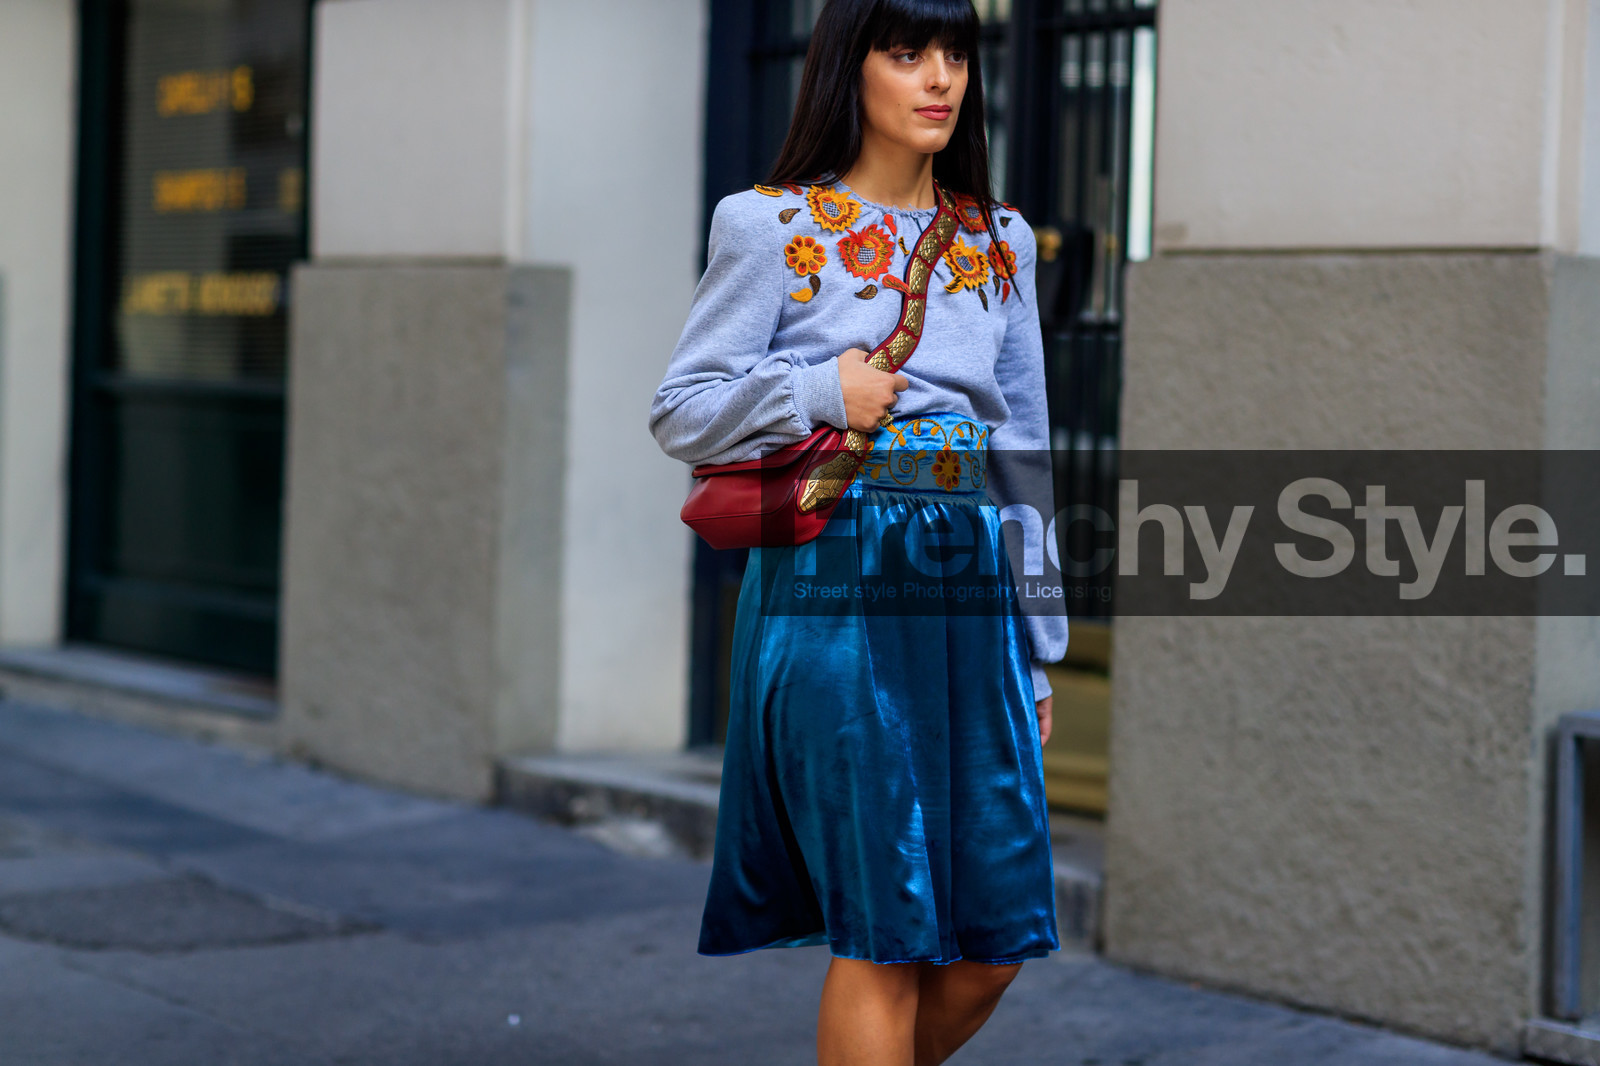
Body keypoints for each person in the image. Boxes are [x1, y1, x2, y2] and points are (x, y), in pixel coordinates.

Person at [648, 1, 1069, 1062]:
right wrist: (818, 388)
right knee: (886, 927)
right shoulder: (769, 224)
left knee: (992, 938)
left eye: (956, 55)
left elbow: (1021, 451)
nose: (939, 78)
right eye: (906, 53)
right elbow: (681, 408)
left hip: (967, 583)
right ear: (852, 68)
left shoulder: (999, 239)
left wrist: (1039, 645)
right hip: (835, 576)